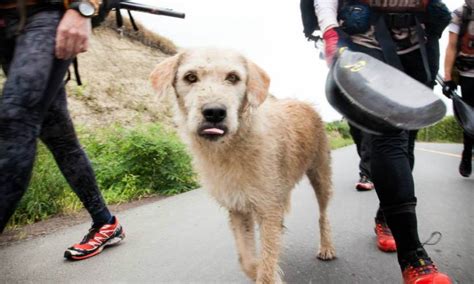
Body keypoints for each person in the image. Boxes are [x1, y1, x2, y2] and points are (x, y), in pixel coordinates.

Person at [314, 0, 452, 282]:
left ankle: (385, 217)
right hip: (365, 47)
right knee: (388, 137)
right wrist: (330, 31)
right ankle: (414, 258)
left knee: (407, 143)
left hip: (419, 45)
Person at [0, 0, 125, 260]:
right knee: (59, 137)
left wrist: (82, 7)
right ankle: (105, 222)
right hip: (7, 23)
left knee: (15, 121)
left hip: (48, 14)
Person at [443, 0, 474, 178]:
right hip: (468, 75)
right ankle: (467, 152)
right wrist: (448, 77)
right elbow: (452, 47)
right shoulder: (460, 14)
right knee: (470, 118)